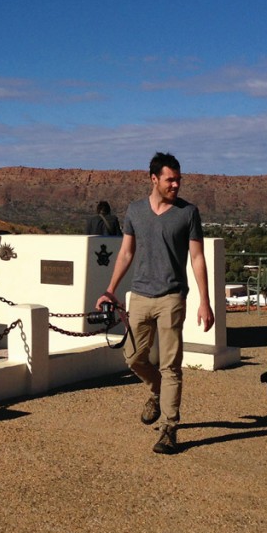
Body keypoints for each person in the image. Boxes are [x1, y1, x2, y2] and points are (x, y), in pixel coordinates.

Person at [95, 152, 215, 454]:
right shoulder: (135, 211)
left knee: (171, 365)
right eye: (169, 179)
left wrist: (205, 301)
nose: (176, 184)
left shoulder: (188, 213)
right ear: (154, 179)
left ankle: (169, 428)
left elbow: (197, 257)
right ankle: (155, 389)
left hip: (173, 297)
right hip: (140, 295)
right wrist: (110, 290)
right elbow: (125, 253)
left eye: (178, 179)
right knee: (133, 357)